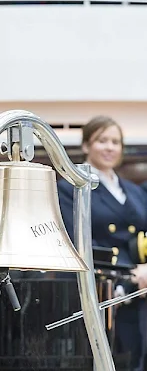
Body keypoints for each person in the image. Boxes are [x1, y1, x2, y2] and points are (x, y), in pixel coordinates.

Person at [57, 115, 147, 371]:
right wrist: (129, 272)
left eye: (115, 142)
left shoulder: (135, 190)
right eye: (102, 140)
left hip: (138, 293)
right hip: (99, 291)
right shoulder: (71, 187)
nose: (110, 147)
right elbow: (78, 239)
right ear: (86, 145)